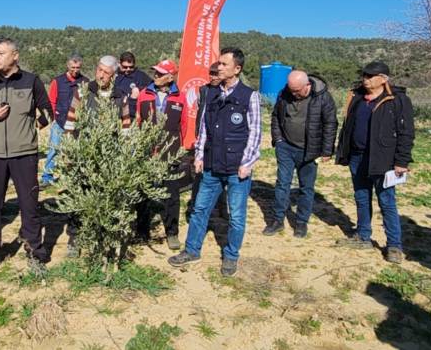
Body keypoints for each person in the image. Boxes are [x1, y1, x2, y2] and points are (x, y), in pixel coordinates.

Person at [168, 47, 262, 277]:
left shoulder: (249, 96)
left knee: (237, 216)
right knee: (200, 209)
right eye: (218, 63)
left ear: (237, 69)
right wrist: (199, 156)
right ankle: (192, 250)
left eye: (223, 64)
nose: (218, 67)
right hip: (211, 164)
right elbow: (204, 129)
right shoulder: (211, 94)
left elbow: (256, 133)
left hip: (237, 167)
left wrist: (247, 162)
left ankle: (231, 256)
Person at [0, 38, 54, 278]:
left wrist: (31, 128)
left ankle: (35, 253)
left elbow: (47, 111)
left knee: (29, 206)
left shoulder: (31, 81)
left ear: (15, 56)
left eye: (0, 53)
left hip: (25, 155)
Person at [335, 61, 414, 264]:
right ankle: (363, 236)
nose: (366, 79)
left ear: (383, 79)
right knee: (361, 197)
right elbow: (348, 126)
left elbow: (406, 133)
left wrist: (401, 161)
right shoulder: (358, 97)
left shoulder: (397, 100)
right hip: (357, 156)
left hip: (383, 160)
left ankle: (394, 245)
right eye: (364, 75)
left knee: (387, 201)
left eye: (371, 76)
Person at [62, 55, 129, 258]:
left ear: (114, 75)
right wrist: (68, 149)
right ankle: (74, 239)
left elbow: (125, 127)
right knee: (78, 194)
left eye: (106, 72)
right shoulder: (83, 91)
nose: (100, 75)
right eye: (99, 69)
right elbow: (71, 121)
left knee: (105, 197)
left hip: (109, 157)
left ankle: (100, 239)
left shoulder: (120, 96)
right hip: (84, 153)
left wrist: (124, 154)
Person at [263, 70, 338, 238]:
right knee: (282, 184)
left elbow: (330, 124)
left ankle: (301, 222)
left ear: (308, 85)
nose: (294, 94)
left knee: (306, 188)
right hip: (286, 148)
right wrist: (278, 140)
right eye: (292, 90)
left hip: (310, 151)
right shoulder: (285, 93)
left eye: (297, 91)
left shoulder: (323, 97)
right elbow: (276, 116)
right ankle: (277, 220)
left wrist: (327, 150)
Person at [135, 59, 189, 250]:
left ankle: (172, 233)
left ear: (170, 77)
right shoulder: (144, 94)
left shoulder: (180, 98)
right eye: (155, 73)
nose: (155, 76)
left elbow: (183, 126)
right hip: (147, 153)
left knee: (171, 195)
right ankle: (141, 230)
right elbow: (138, 120)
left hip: (170, 153)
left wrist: (176, 148)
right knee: (142, 192)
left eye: (160, 73)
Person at [186, 62, 229, 248]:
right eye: (210, 74)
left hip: (221, 142)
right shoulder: (204, 90)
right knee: (201, 176)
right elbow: (200, 115)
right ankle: (196, 206)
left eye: (216, 74)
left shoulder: (225, 91)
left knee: (220, 176)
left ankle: (222, 208)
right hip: (203, 139)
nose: (212, 77)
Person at [41, 54, 88, 186]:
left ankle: (74, 178)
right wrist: (54, 119)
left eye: (78, 67)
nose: (75, 70)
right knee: (53, 150)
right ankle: (47, 177)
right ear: (67, 66)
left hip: (77, 124)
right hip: (60, 122)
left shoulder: (85, 82)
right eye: (73, 67)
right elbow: (51, 101)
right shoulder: (57, 81)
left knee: (75, 151)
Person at [114, 51, 151, 122]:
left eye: (131, 67)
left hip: (133, 114)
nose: (128, 69)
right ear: (119, 64)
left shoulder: (141, 76)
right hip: (116, 114)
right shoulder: (114, 75)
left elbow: (152, 86)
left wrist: (139, 90)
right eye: (125, 67)